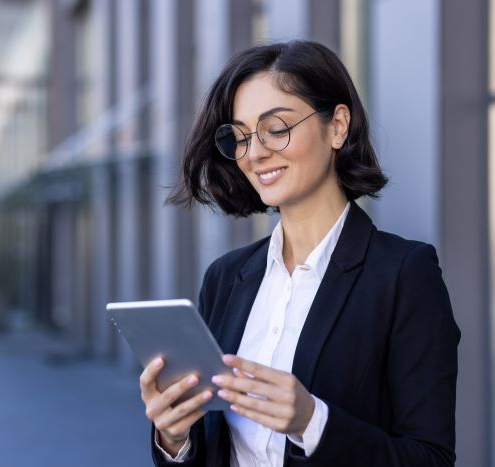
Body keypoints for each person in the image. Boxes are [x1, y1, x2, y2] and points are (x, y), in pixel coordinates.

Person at [138, 40, 460, 466]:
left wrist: (313, 422)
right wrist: (174, 438)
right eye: (240, 137)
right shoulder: (226, 278)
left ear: (337, 126)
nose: (254, 153)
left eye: (277, 128)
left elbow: (430, 458)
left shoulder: (403, 274)